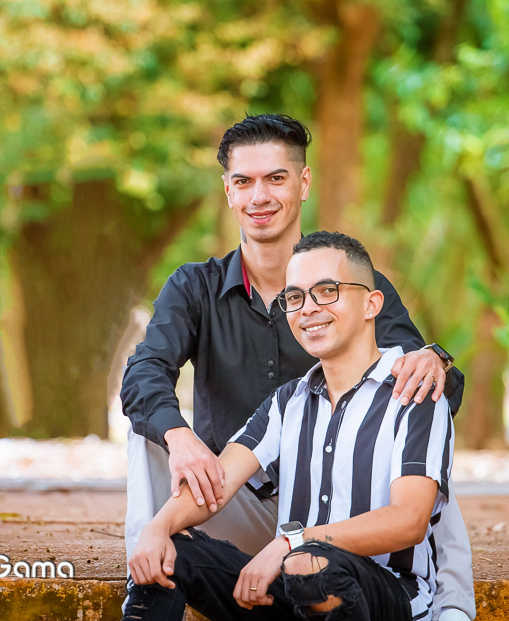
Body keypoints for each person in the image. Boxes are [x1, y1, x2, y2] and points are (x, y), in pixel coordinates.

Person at [121, 114, 474, 620]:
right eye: (244, 182)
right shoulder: (197, 291)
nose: (259, 196)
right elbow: (143, 376)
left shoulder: (355, 284)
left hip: (348, 526)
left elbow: (436, 386)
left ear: (303, 183)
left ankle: (450, 603)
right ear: (228, 190)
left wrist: (433, 358)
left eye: (276, 178)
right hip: (237, 500)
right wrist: (178, 440)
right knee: (150, 431)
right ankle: (144, 566)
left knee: (421, 433)